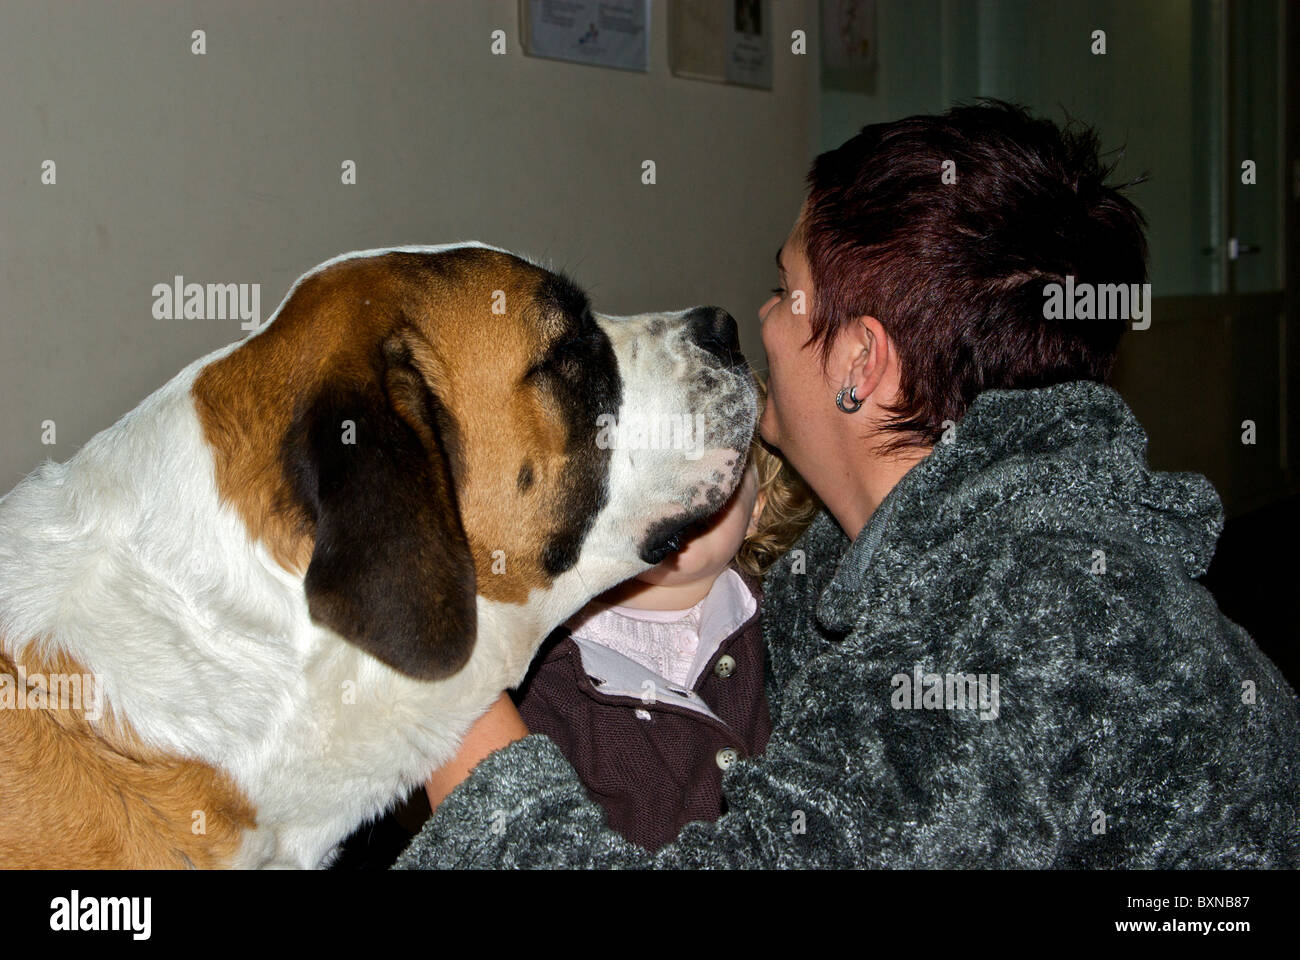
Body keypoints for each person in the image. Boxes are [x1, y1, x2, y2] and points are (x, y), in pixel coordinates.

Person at [396, 99, 1300, 869]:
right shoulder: (899, 544)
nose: (761, 318)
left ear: (860, 362)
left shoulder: (1030, 620)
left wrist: (438, 668)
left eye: (786, 290)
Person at [490, 398, 816, 852]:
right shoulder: (542, 664)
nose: (685, 490)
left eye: (718, 466)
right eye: (654, 464)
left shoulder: (793, 622)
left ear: (757, 510)